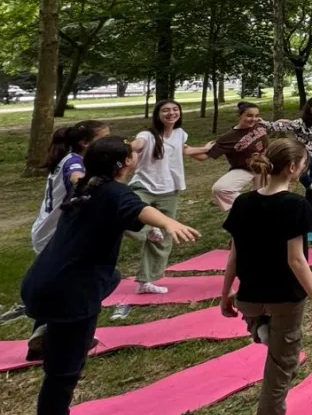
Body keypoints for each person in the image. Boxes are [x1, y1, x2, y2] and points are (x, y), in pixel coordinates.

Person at [21, 136, 199, 415]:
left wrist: (151, 228)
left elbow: (126, 214)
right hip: (72, 292)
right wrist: (168, 222)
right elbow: (139, 208)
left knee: (113, 277)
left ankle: (49, 331)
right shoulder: (115, 192)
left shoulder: (86, 186)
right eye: (131, 153)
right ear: (125, 163)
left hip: (42, 282)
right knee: (64, 371)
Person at [219, 138, 312, 415]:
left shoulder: (243, 203)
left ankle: (260, 328)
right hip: (285, 298)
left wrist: (225, 292)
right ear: (293, 168)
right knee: (280, 373)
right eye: (303, 164)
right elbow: (296, 260)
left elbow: (234, 253)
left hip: (249, 297)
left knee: (264, 326)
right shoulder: (296, 205)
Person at [126, 101, 212, 295]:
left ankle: (146, 281)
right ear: (157, 114)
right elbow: (136, 145)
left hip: (170, 189)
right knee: (125, 215)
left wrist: (205, 148)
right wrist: (128, 149)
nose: (171, 113)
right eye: (165, 110)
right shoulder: (147, 135)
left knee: (164, 237)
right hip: (144, 186)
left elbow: (184, 150)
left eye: (175, 109)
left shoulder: (180, 133)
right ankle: (148, 229)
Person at [31, 120, 110, 257]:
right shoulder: (74, 161)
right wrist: (88, 182)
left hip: (52, 231)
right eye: (105, 138)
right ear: (85, 143)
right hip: (53, 234)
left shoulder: (73, 157)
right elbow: (75, 176)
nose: (109, 142)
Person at [204, 102, 270, 211]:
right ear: (239, 116)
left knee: (265, 200)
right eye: (249, 115)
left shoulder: (259, 125)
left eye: (256, 116)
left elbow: (274, 127)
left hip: (263, 167)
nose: (253, 119)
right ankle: (245, 207)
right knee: (220, 188)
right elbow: (202, 156)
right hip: (244, 168)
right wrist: (186, 149)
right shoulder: (228, 137)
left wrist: (283, 122)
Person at [266, 96, 312, 207]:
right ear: (308, 108)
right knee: (303, 176)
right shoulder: (301, 122)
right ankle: (305, 182)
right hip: (306, 156)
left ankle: (309, 212)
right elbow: (282, 127)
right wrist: (264, 123)